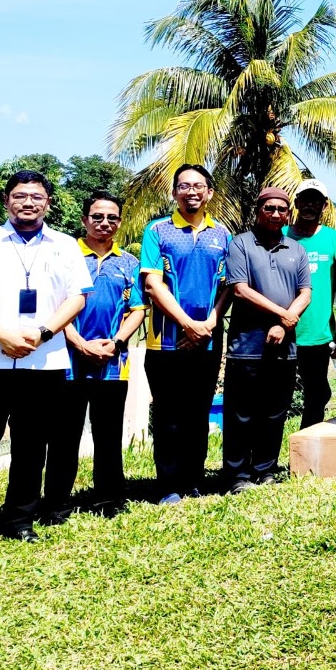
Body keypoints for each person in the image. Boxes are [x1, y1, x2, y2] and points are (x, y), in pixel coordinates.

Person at [0, 170, 92, 563]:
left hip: (44, 364)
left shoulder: (65, 246)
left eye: (36, 197)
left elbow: (77, 298)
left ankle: (19, 520)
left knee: (32, 448)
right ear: (6, 201)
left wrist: (42, 333)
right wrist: (3, 336)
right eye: (20, 196)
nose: (28, 202)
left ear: (48, 203)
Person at [139, 163, 233, 505]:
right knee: (168, 414)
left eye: (198, 186)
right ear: (174, 192)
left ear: (209, 192)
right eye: (184, 186)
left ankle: (194, 480)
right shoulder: (157, 231)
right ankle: (169, 485)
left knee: (198, 412)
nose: (191, 191)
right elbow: (153, 284)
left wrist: (209, 323)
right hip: (166, 340)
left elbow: (228, 286)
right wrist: (188, 325)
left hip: (208, 340)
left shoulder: (222, 234)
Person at [54, 192, 145, 520]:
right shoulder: (65, 257)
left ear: (119, 222)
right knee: (64, 436)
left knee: (108, 435)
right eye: (97, 217)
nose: (104, 223)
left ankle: (109, 500)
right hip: (67, 363)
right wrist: (80, 343)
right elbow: (54, 307)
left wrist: (116, 343)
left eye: (111, 218)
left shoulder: (129, 263)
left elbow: (137, 310)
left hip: (112, 365)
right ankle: (57, 503)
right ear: (84, 220)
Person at [222, 188, 312, 493]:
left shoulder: (296, 249)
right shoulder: (241, 244)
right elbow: (240, 289)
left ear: (288, 214)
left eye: (281, 209)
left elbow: (305, 293)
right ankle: (237, 475)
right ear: (258, 210)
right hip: (247, 346)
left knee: (274, 412)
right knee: (241, 413)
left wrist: (285, 324)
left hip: (284, 347)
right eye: (269, 208)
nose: (276, 214)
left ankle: (265, 469)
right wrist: (282, 316)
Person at [284, 179, 336, 430]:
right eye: (305, 199)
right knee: (277, 395)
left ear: (324, 205)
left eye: (316, 201)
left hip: (318, 333)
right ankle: (268, 451)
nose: (309, 205)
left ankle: (306, 443)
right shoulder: (281, 235)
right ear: (296, 202)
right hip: (283, 331)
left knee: (318, 393)